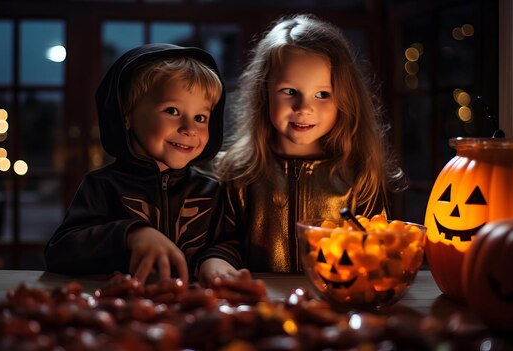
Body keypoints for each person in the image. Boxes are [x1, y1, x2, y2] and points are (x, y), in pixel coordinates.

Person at [214, 14, 406, 273]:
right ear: (264, 91)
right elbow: (224, 242)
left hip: (337, 304)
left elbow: (375, 247)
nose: (304, 108)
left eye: (322, 94)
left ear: (344, 99)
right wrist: (217, 262)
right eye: (290, 91)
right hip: (262, 304)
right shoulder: (237, 172)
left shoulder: (359, 174)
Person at [45, 43, 241, 285]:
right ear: (126, 115)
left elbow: (229, 242)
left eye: (200, 117)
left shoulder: (212, 191)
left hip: (194, 311)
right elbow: (61, 251)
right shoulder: (102, 186)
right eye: (172, 110)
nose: (189, 129)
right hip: (119, 310)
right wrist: (132, 234)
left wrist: (216, 259)